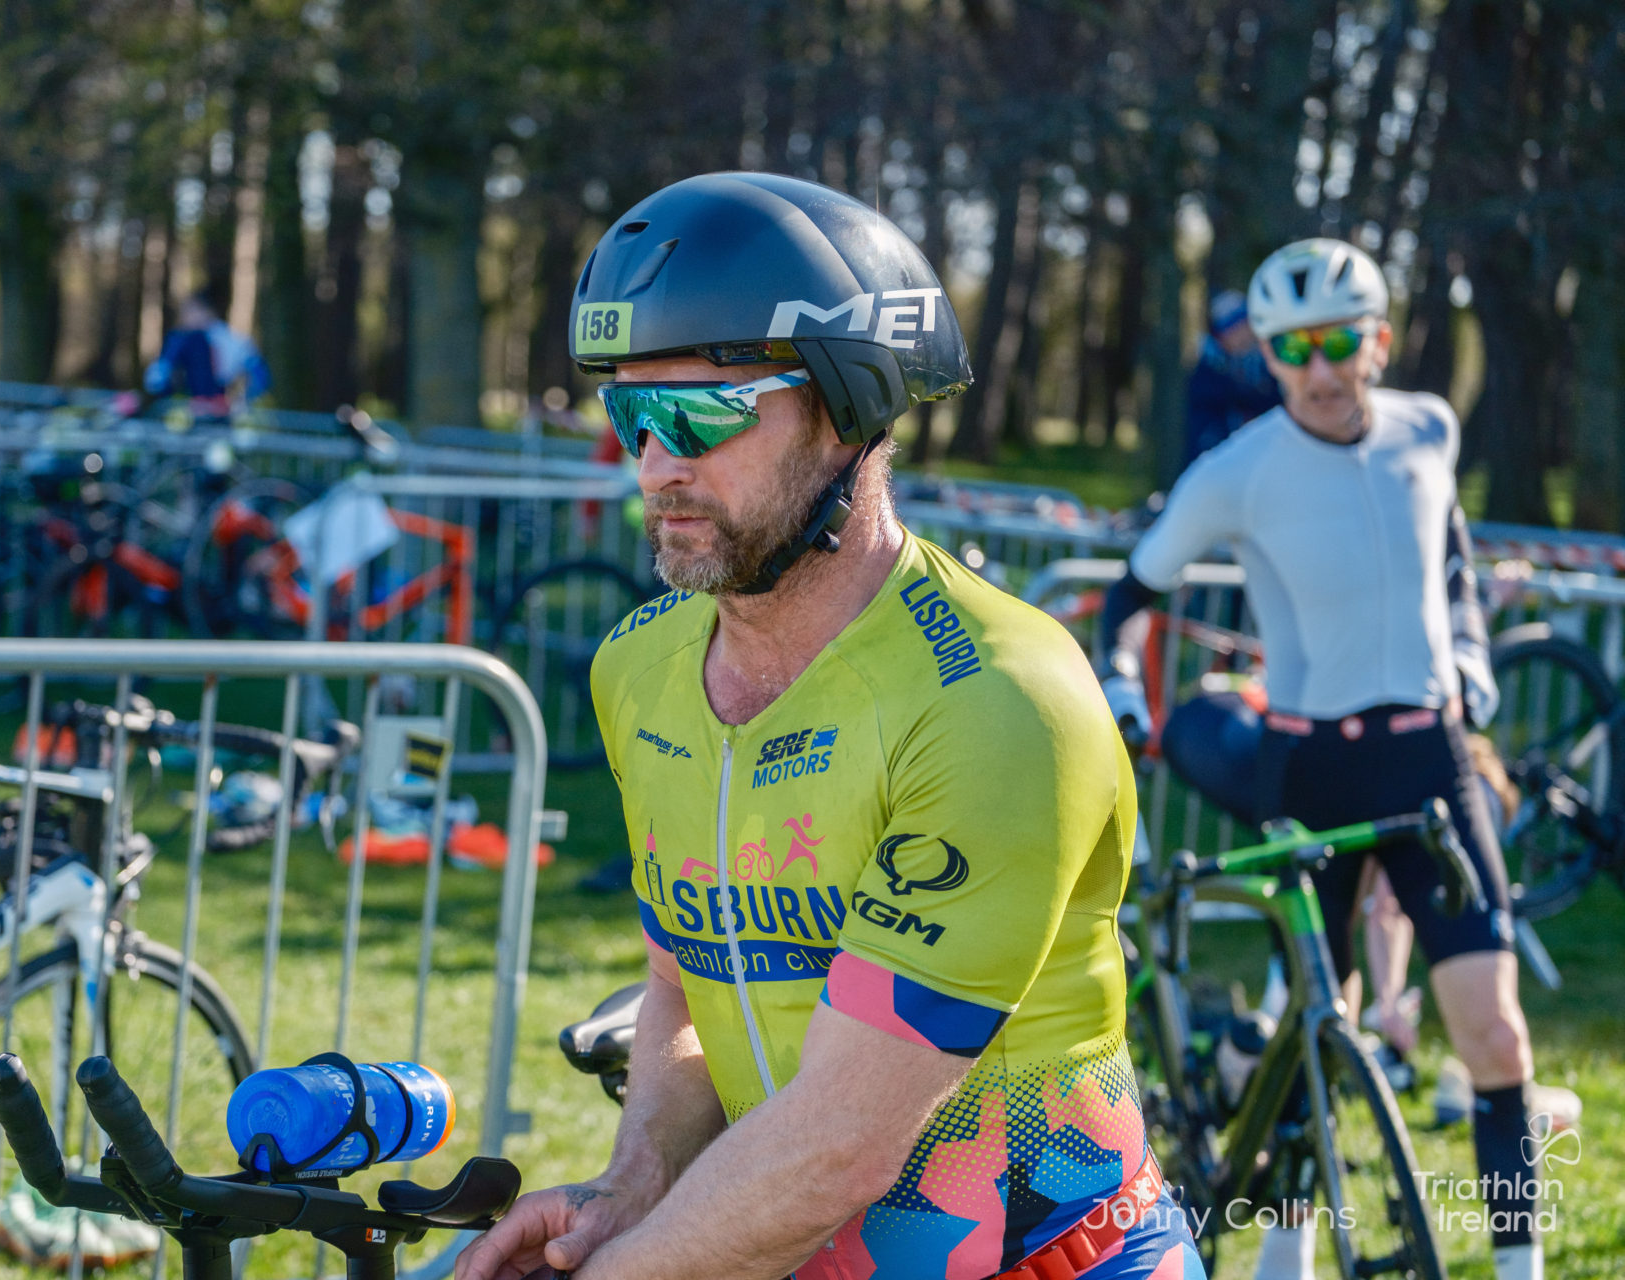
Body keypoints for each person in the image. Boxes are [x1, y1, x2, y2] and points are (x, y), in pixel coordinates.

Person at [457, 173, 1204, 1280]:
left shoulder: (997, 696)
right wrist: (634, 1186)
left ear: (846, 408)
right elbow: (684, 985)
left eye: (699, 413)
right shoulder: (638, 669)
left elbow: (841, 1141)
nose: (655, 464)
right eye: (629, 415)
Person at [1098, 238, 1545, 1280]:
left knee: (1497, 1037)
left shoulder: (1429, 428)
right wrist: (1122, 687)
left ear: (1379, 341)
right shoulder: (1237, 469)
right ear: (1268, 355)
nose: (1320, 368)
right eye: (1293, 349)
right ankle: (1284, 1253)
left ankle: (1523, 1266)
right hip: (1309, 774)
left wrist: (1471, 653)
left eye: (1340, 342)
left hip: (1430, 763)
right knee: (1311, 1033)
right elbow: (1130, 595)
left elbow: (1451, 557)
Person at [1181, 290, 1281, 474]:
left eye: (1245, 324)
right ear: (1221, 334)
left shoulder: (1261, 362)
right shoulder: (1207, 367)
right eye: (1235, 327)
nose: (1243, 333)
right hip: (1214, 460)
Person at [142, 290, 272, 410]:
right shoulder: (181, 340)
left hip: (218, 405)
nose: (185, 317)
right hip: (193, 405)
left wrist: (244, 400)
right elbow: (158, 378)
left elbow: (259, 376)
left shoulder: (233, 341)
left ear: (207, 311)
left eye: (190, 311)